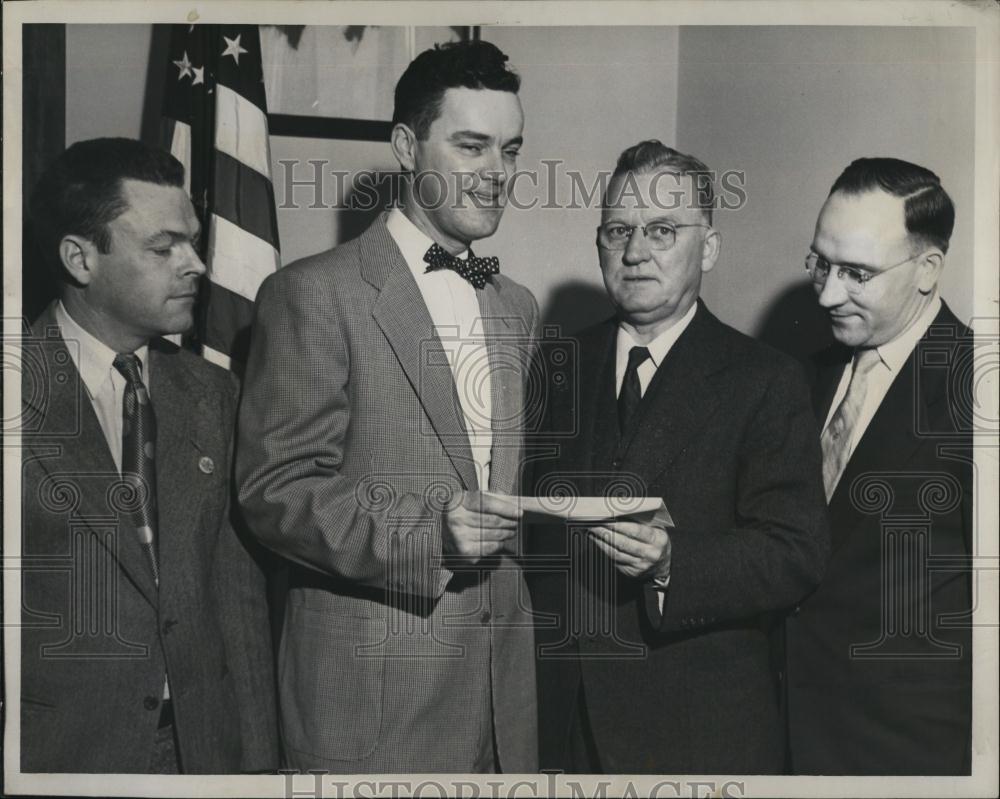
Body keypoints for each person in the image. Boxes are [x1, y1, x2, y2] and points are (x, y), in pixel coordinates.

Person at [236, 41, 538, 773]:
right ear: (406, 145)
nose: (497, 173)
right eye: (471, 146)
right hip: (370, 713)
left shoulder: (519, 308)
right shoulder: (313, 293)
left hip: (502, 710)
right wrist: (430, 532)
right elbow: (273, 491)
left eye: (511, 149)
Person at [528, 140, 830, 774]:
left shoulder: (766, 379)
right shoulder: (557, 364)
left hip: (698, 736)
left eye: (662, 230)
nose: (635, 252)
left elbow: (797, 552)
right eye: (618, 231)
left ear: (709, 248)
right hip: (561, 726)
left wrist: (673, 560)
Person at [19, 137, 278, 774]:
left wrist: (259, 770)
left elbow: (237, 602)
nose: (196, 266)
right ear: (80, 259)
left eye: (192, 242)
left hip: (201, 753)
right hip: (57, 759)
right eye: (163, 248)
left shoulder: (213, 394)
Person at [785, 157, 973, 775]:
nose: (829, 293)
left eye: (858, 274)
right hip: (789, 738)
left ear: (927, 270)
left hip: (908, 756)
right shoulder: (803, 376)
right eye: (822, 264)